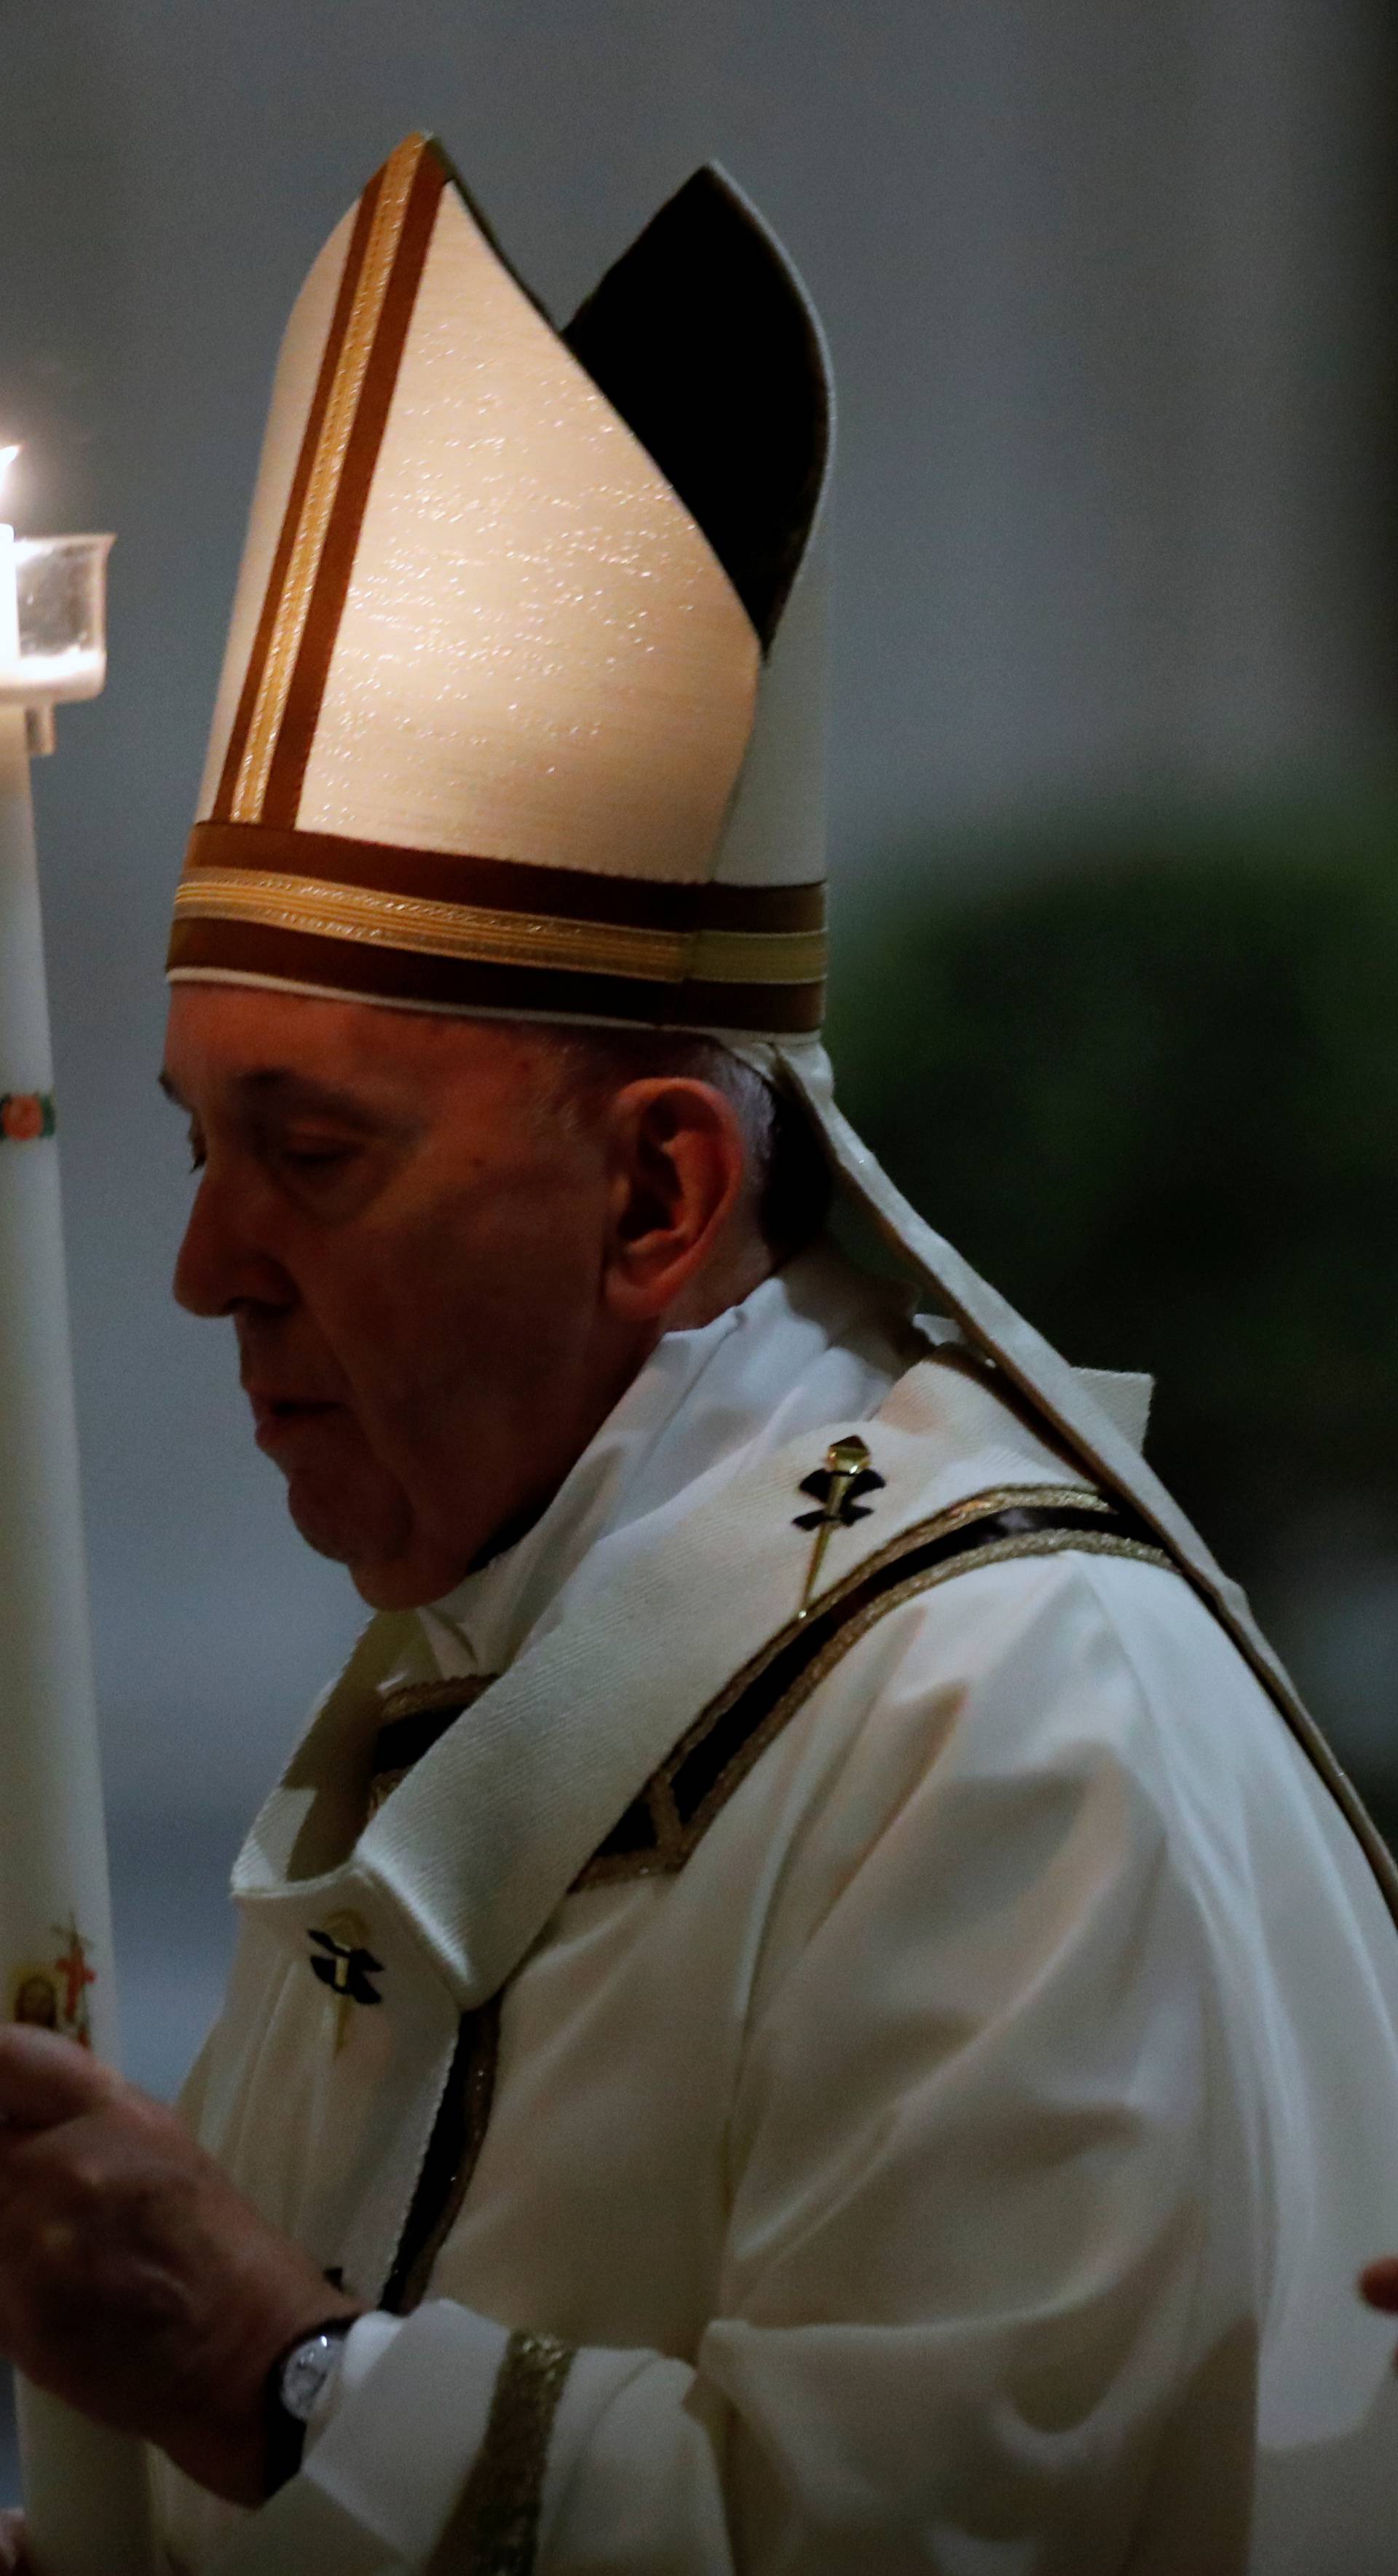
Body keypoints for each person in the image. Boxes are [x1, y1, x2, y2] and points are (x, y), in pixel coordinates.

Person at [1, 130, 1397, 2575]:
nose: (208, 1266)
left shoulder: (1006, 1722)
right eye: (197, 1142)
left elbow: (963, 2541)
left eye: (309, 1153)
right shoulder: (495, 1664)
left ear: (657, 1192)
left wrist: (274, 2372)